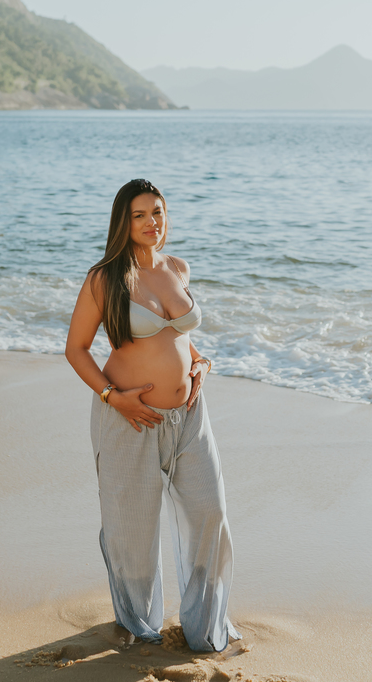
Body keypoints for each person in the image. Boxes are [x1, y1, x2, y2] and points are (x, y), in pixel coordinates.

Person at [65, 178, 240, 652]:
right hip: (129, 419)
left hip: (190, 417)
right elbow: (76, 348)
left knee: (210, 512)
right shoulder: (104, 278)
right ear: (123, 222)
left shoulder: (177, 267)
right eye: (139, 215)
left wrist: (201, 363)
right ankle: (140, 626)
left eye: (157, 212)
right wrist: (112, 397)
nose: (151, 222)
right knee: (133, 530)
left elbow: (178, 336)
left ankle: (206, 627)